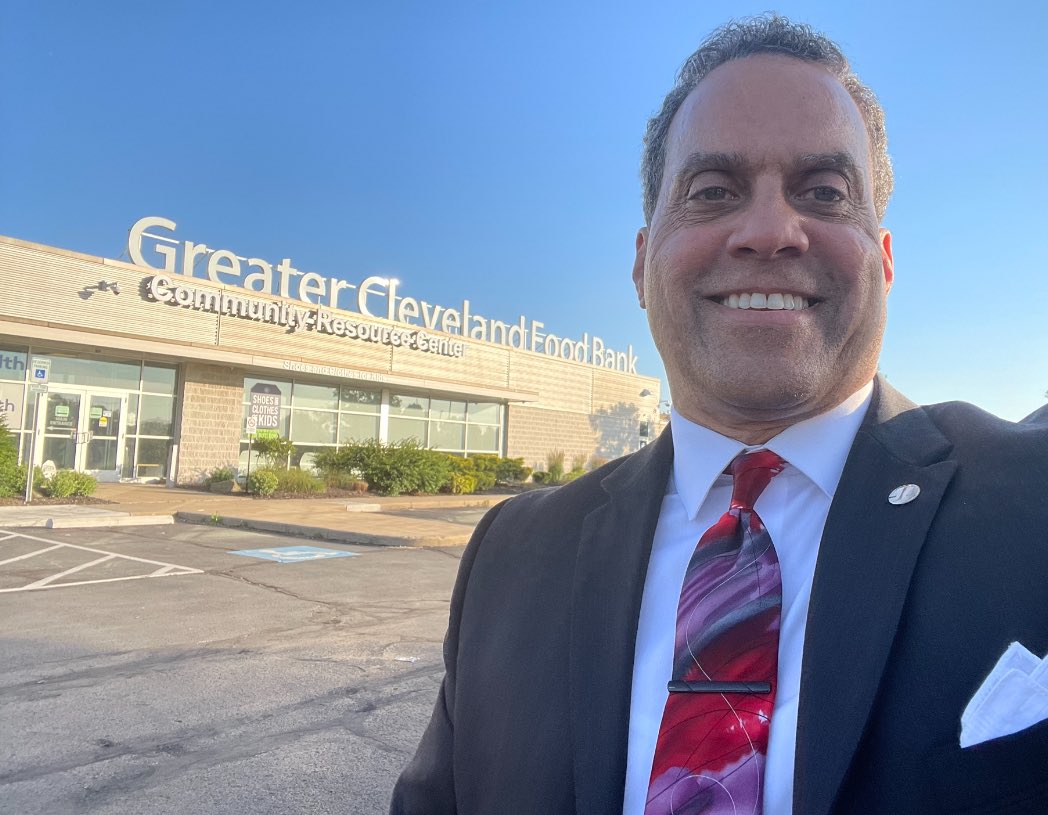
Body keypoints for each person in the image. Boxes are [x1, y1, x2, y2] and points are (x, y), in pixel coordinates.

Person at [390, 15, 1048, 815]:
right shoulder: (511, 554)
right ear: (641, 264)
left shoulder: (1031, 503)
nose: (770, 229)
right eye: (713, 192)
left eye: (823, 191)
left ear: (883, 258)